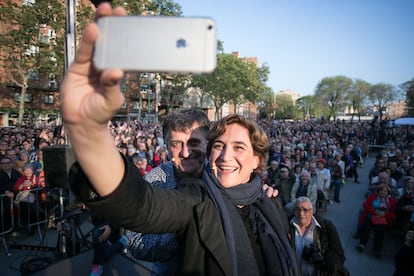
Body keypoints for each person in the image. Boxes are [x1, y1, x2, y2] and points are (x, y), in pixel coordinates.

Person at [61, 5, 297, 274]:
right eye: (176, 144)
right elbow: (140, 208)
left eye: (196, 143)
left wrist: (260, 193)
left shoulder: (257, 196)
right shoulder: (181, 192)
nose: (186, 152)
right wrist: (89, 132)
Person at [289, 196, 348, 276]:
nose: (301, 213)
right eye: (298, 209)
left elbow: (340, 256)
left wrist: (322, 260)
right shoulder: (287, 225)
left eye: (305, 210)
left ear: (311, 211)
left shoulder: (326, 227)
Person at [356, 184, 397, 257]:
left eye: (385, 191)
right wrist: (374, 212)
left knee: (379, 231)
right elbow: (366, 205)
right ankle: (362, 244)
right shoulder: (372, 197)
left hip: (383, 219)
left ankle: (377, 249)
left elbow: (394, 214)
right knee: (366, 226)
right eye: (381, 190)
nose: (383, 192)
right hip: (371, 216)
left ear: (388, 192)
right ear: (378, 191)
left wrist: (384, 214)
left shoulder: (392, 201)